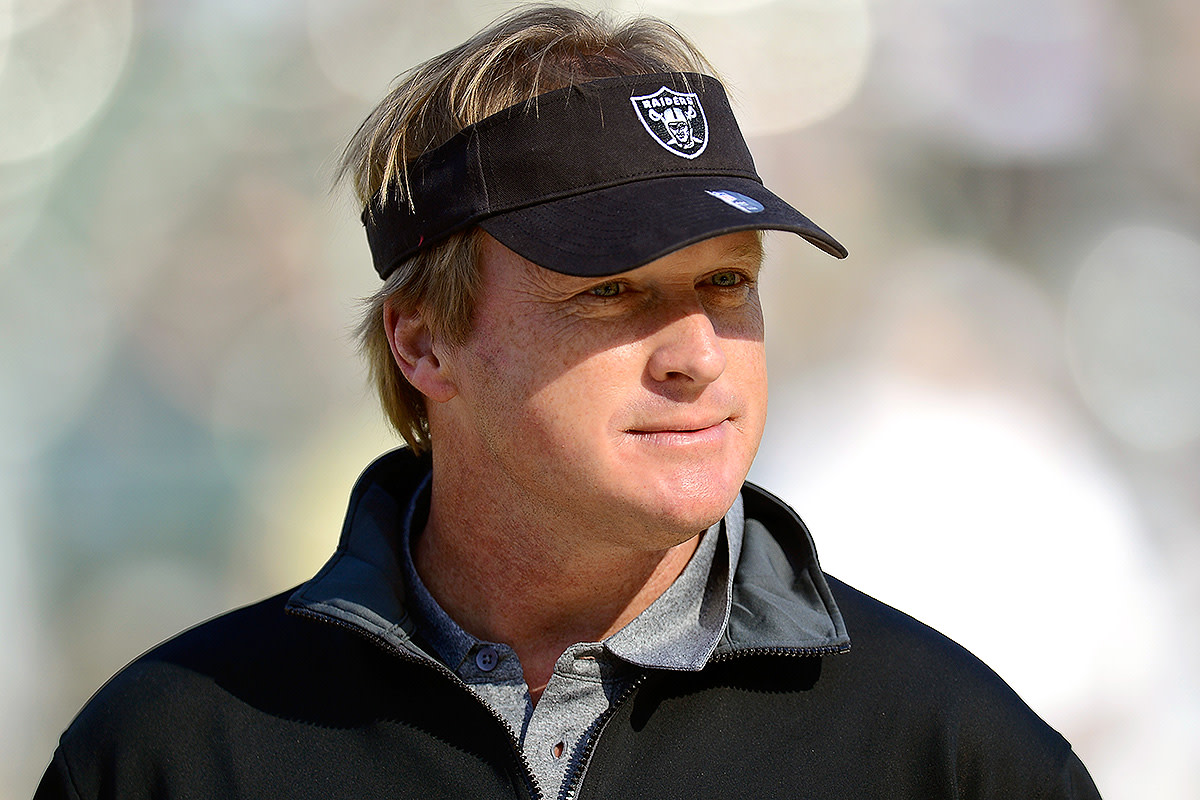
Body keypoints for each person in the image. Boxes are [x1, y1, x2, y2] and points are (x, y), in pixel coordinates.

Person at [36, 5, 1102, 799]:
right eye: (611, 292)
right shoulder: (172, 751)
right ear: (425, 341)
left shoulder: (953, 755)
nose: (697, 353)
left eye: (727, 282)